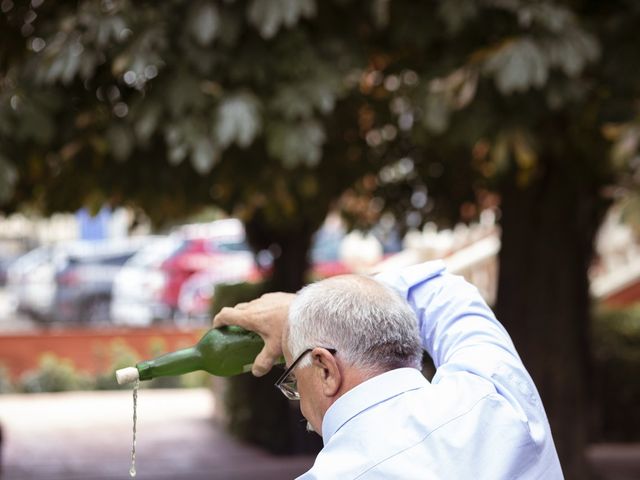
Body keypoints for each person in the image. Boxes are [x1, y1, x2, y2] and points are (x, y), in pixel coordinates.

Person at [213, 260, 563, 479]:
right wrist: (306, 310)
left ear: (325, 370)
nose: (298, 400)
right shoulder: (495, 394)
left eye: (293, 377)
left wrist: (307, 312)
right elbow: (441, 289)